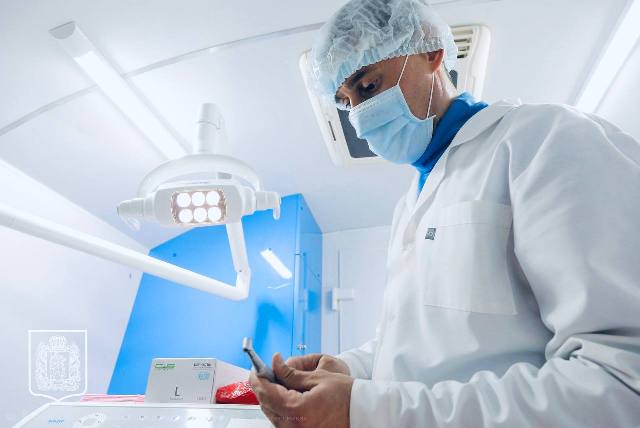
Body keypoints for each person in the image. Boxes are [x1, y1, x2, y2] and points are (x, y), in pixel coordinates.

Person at [250, 0, 640, 426]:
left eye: (368, 86)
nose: (359, 117)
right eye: (345, 102)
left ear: (430, 52)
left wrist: (366, 409)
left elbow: (620, 379)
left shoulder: (544, 140)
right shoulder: (409, 205)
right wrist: (349, 369)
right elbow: (411, 347)